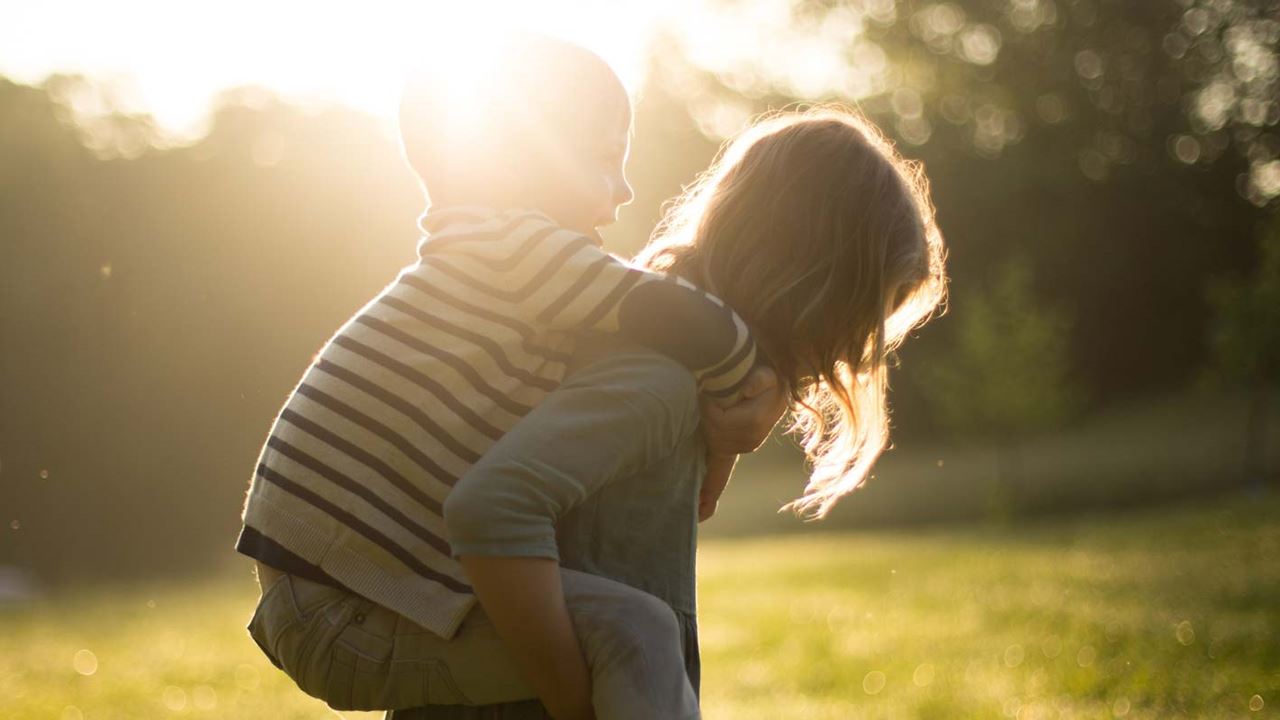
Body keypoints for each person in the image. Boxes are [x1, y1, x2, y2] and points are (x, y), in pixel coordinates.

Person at [280, 104, 949, 720]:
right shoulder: (655, 382)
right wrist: (576, 702)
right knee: (640, 631)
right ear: (815, 284)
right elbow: (493, 509)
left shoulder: (671, 366)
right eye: (869, 311)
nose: (857, 347)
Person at [238, 32, 779, 720]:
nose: (626, 187)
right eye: (607, 158)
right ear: (527, 157)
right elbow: (683, 318)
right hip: (345, 610)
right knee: (635, 631)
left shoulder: (487, 259)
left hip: (341, 593)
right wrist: (748, 396)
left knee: (624, 628)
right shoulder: (514, 249)